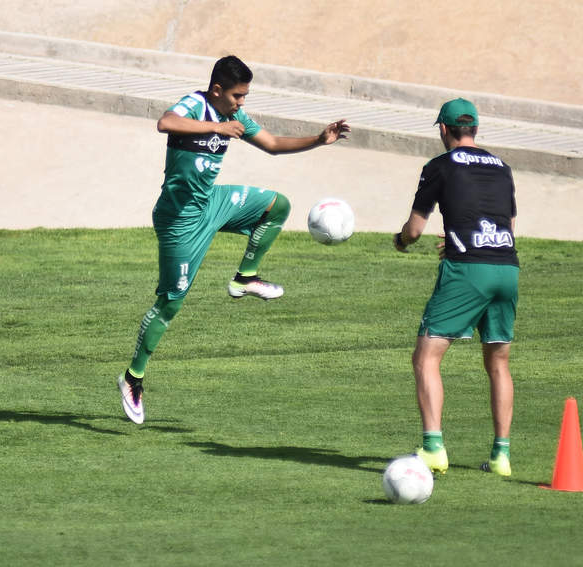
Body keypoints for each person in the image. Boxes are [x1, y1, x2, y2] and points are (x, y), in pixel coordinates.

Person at [117, 55, 349, 424]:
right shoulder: (195, 105)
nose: (242, 103)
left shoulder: (235, 117)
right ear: (217, 90)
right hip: (180, 220)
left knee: (277, 206)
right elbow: (165, 122)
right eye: (237, 96)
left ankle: (245, 277)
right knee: (170, 304)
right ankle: (133, 378)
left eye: (244, 96)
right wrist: (215, 129)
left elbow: (272, 143)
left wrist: (319, 140)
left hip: (212, 203)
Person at [394, 98, 519, 477]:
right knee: (498, 363)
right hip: (507, 269)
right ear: (476, 129)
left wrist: (401, 241)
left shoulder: (439, 166)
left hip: (467, 272)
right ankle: (501, 457)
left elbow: (415, 230)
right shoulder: (503, 167)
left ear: (444, 130)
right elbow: (507, 228)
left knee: (426, 356)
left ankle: (433, 448)